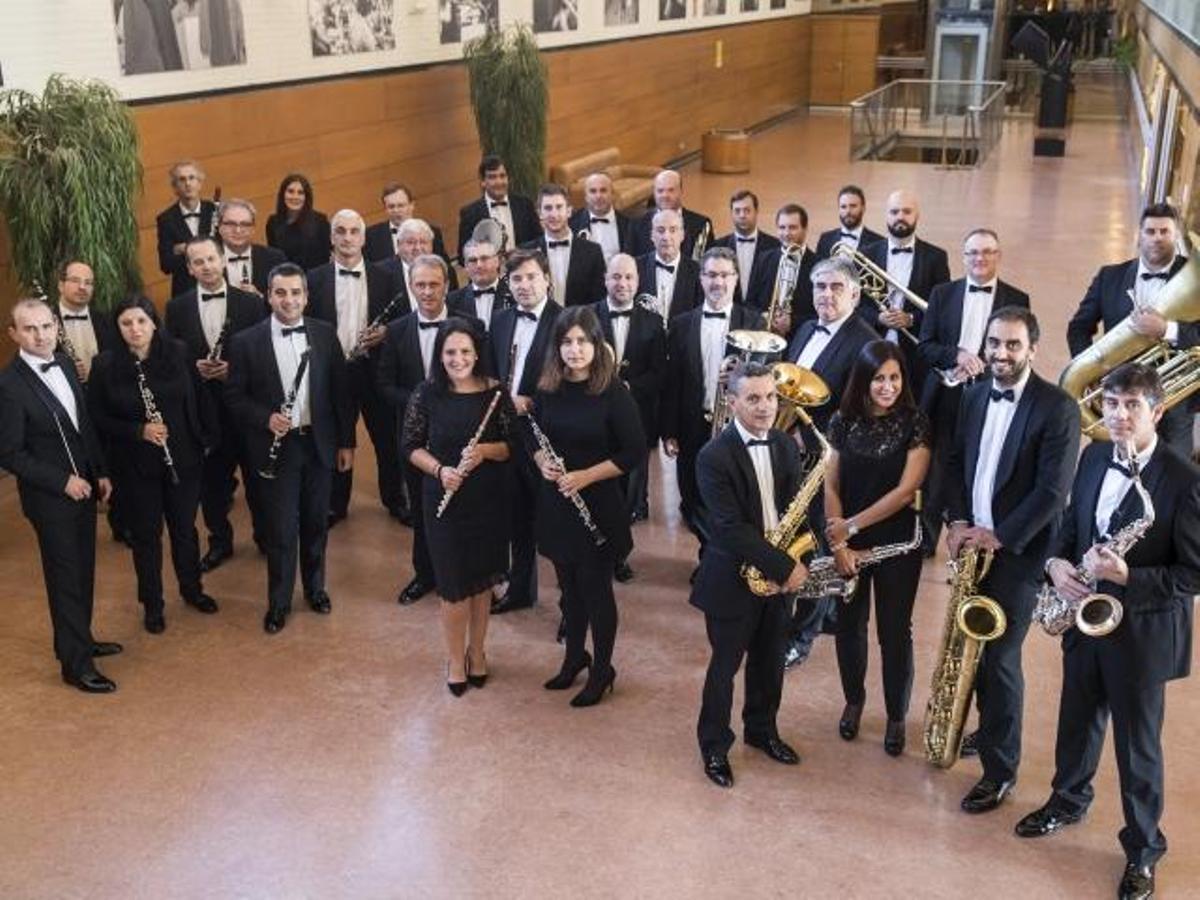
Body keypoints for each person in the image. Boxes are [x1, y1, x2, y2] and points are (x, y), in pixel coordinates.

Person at [1014, 363, 1200, 900]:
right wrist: (1055, 564)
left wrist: (1129, 577)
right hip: (1085, 619)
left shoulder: (1185, 481)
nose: (1117, 415)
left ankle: (1143, 849)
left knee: (1137, 748)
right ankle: (1067, 800)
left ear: (1157, 412)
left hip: (1141, 634)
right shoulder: (1094, 455)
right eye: (1111, 404)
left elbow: (1193, 574)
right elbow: (1070, 528)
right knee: (1076, 721)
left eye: (1132, 406)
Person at [945, 306, 1080, 814]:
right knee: (972, 649)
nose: (1001, 354)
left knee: (1000, 661)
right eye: (994, 344)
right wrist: (957, 521)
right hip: (972, 544)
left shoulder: (1058, 408)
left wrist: (998, 537)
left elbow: (1052, 492)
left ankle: (1000, 772)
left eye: (1012, 345)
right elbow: (958, 459)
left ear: (1033, 349)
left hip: (1017, 554)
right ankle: (989, 726)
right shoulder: (976, 393)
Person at [691, 360, 809, 788]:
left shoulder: (783, 445)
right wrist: (784, 567)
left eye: (771, 397)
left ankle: (762, 731)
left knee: (770, 661)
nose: (765, 407)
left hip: (778, 580)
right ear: (732, 401)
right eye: (754, 398)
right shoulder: (712, 455)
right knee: (725, 667)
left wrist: (801, 558)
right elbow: (727, 528)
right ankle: (714, 746)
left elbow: (797, 509)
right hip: (731, 578)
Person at [223, 263, 355, 634]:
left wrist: (347, 442)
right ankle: (278, 602)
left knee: (316, 523)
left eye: (296, 293)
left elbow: (341, 393)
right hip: (277, 449)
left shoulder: (324, 334)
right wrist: (265, 418)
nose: (289, 300)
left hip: (318, 443)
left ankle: (315, 590)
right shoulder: (246, 341)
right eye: (281, 293)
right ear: (268, 296)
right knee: (281, 530)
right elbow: (233, 397)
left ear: (306, 296)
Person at [0, 298, 120, 693]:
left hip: (84, 487)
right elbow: (10, 453)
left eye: (46, 326)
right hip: (50, 498)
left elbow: (82, 425)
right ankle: (75, 665)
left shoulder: (65, 363)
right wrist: (62, 481)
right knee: (65, 578)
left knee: (83, 569)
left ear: (56, 327)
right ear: (14, 334)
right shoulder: (9, 384)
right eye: (30, 329)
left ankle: (79, 639)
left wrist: (99, 470)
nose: (41, 335)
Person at [530, 306, 645, 707]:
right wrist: (541, 461)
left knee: (596, 592)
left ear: (597, 345)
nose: (574, 350)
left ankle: (603, 669)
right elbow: (535, 438)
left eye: (582, 341)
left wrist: (585, 476)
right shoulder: (547, 389)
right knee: (568, 591)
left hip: (596, 505)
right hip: (558, 505)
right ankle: (574, 657)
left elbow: (633, 452)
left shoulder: (614, 392)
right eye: (566, 342)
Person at [824, 340, 931, 755]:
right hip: (848, 544)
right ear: (863, 381)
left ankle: (895, 716)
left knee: (893, 632)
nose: (887, 386)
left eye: (894, 377)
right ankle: (854, 701)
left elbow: (906, 492)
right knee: (849, 626)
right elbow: (830, 483)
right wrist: (838, 541)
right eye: (878, 378)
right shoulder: (842, 421)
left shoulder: (915, 422)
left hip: (896, 545)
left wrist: (848, 526)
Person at [88, 296, 218, 634]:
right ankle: (153, 605)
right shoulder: (104, 365)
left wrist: (206, 439)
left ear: (153, 323)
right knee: (146, 536)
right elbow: (97, 418)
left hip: (183, 458)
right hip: (135, 465)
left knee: (185, 530)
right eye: (126, 323)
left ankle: (192, 590)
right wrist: (138, 430)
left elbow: (200, 397)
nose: (135, 329)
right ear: (118, 329)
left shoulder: (178, 352)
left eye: (141, 322)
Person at [400, 318, 515, 694]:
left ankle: (478, 653)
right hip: (443, 500)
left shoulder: (496, 394)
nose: (458, 358)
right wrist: (440, 470)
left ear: (477, 353)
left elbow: (513, 448)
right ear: (440, 355)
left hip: (489, 501)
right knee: (453, 588)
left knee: (482, 584)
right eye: (450, 352)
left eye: (465, 351)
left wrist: (484, 450)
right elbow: (410, 446)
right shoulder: (426, 393)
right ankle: (454, 659)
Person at [917, 228, 1030, 556]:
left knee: (976, 463)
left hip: (986, 396)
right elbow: (926, 346)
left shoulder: (1017, 299)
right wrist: (957, 355)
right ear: (963, 257)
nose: (980, 258)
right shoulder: (942, 293)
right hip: (945, 394)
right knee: (935, 465)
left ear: (998, 256)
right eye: (973, 253)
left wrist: (987, 363)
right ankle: (926, 538)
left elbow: (1018, 351)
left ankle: (972, 537)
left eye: (987, 252)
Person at [166, 235, 267, 571]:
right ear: (190, 269)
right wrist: (192, 368)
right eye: (198, 262)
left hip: (247, 411)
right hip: (204, 414)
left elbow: (263, 359)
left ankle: (265, 538)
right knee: (212, 485)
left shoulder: (251, 304)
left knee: (257, 480)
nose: (206, 266)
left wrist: (232, 371)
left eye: (211, 259)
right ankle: (220, 541)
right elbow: (171, 360)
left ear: (223, 260)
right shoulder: (176, 308)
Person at [1067, 201, 1195, 456]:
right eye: (1150, 232)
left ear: (1175, 237)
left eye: (1165, 232)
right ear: (1139, 236)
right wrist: (1091, 371)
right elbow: (1078, 328)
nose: (1157, 238)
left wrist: (1167, 329)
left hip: (1173, 406)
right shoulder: (1110, 276)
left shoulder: (1193, 277)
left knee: (1171, 486)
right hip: (1118, 404)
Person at [307, 209, 409, 524]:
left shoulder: (387, 276)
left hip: (374, 368)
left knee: (387, 439)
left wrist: (385, 332)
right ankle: (336, 505)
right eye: (341, 231)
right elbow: (308, 325)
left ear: (363, 238)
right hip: (334, 371)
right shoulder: (314, 278)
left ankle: (394, 499)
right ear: (332, 237)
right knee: (339, 437)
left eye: (354, 231)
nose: (348, 238)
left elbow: (402, 321)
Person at [661, 247, 764, 550]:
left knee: (734, 498)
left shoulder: (755, 321)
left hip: (738, 428)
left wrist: (740, 375)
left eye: (724, 275)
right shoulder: (681, 324)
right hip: (693, 425)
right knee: (693, 498)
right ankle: (709, 557)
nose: (718, 282)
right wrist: (669, 431)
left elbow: (767, 374)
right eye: (711, 275)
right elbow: (672, 382)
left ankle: (722, 562)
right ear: (701, 279)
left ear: (735, 279)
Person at [487, 248, 563, 614]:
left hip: (548, 436)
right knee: (517, 516)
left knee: (558, 525)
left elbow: (571, 383)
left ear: (546, 278)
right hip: (508, 436)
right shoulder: (500, 320)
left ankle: (571, 608)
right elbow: (492, 373)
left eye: (531, 277)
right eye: (516, 278)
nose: (524, 285)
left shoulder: (565, 321)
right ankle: (521, 590)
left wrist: (531, 401)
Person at [378, 255, 453, 605]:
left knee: (463, 509)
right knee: (423, 511)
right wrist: (421, 402)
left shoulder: (469, 326)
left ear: (447, 285)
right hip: (415, 439)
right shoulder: (396, 331)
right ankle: (425, 574)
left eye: (433, 284)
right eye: (420, 285)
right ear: (411, 287)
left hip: (459, 436)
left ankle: (460, 572)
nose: (427, 291)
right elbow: (385, 385)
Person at [593, 253, 667, 532]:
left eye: (628, 277)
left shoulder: (653, 322)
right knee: (602, 483)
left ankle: (626, 529)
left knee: (633, 483)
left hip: (637, 414)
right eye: (615, 276)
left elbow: (659, 374)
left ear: (637, 281)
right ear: (605, 279)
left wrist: (629, 388)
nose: (621, 283)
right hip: (596, 416)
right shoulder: (587, 316)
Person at [858, 189, 951, 395]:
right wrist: (878, 318)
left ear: (917, 215)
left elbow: (943, 310)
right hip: (872, 346)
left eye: (907, 211)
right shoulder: (866, 254)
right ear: (886, 215)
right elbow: (855, 306)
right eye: (894, 211)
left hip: (916, 354)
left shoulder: (936, 257)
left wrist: (911, 319)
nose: (900, 216)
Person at [522, 183, 606, 306]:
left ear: (569, 211)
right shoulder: (526, 252)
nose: (554, 215)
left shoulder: (593, 252)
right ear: (539, 213)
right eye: (548, 208)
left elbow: (599, 301)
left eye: (559, 207)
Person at [744, 203, 816, 333]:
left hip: (799, 338)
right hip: (764, 335)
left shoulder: (817, 264)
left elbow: (819, 313)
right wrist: (763, 316)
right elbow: (749, 303)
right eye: (782, 227)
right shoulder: (763, 259)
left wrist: (792, 322)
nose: (786, 233)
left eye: (793, 227)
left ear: (805, 229)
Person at [156, 159, 218, 298]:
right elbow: (166, 265)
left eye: (192, 178)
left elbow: (223, 250)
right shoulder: (165, 219)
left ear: (200, 183)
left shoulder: (215, 211)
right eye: (181, 179)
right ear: (174, 187)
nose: (188, 184)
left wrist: (186, 249)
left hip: (217, 286)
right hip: (185, 292)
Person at [457, 155, 540, 253]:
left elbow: (538, 240)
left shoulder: (525, 205)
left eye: (502, 176)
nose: (499, 182)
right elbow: (463, 255)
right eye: (492, 177)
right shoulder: (469, 214)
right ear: (483, 182)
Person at [54, 260, 119, 384]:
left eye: (88, 282)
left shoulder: (107, 321)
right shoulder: (46, 323)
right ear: (61, 285)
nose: (82, 287)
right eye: (75, 280)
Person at [713, 189, 781, 306]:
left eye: (747, 210)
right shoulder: (718, 246)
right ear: (731, 213)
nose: (742, 215)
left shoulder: (775, 246)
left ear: (756, 211)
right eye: (737, 211)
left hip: (761, 315)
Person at [634, 208, 703, 322]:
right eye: (660, 230)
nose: (666, 237)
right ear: (652, 235)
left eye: (673, 230)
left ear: (682, 235)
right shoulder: (634, 267)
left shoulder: (697, 271)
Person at [628, 169, 714, 259]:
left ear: (681, 191)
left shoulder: (701, 225)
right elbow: (629, 264)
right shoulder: (637, 225)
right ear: (654, 193)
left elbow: (706, 265)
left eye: (671, 190)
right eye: (660, 191)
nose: (665, 195)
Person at [364, 181, 452, 267]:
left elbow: (444, 267)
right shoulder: (372, 235)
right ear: (385, 209)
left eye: (401, 205)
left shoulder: (431, 232)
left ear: (412, 205)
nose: (396, 211)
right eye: (391, 207)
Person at [216, 197, 287, 298]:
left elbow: (285, 299)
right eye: (231, 224)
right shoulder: (206, 260)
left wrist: (260, 298)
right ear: (220, 227)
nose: (238, 230)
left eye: (245, 224)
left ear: (253, 228)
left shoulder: (276, 259)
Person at [265, 173, 332, 272]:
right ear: (283, 194)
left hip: (315, 280)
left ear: (307, 197)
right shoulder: (273, 222)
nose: (295, 197)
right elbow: (274, 259)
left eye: (300, 193)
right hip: (286, 280)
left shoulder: (320, 221)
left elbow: (327, 257)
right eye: (290, 191)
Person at [568, 172, 633, 262]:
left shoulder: (629, 224)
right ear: (586, 196)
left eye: (603, 190)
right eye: (593, 191)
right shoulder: (572, 225)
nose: (598, 196)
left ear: (612, 194)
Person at [814, 184, 885, 261]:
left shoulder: (878, 242)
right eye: (843, 207)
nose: (848, 211)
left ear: (863, 208)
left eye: (853, 206)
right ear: (839, 209)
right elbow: (817, 270)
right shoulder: (825, 239)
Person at [447, 236, 502, 329]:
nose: (479, 265)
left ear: (497, 261)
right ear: (466, 266)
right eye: (473, 260)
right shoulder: (452, 300)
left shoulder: (513, 295)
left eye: (484, 258)